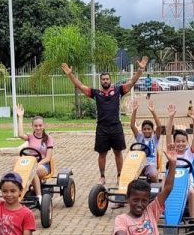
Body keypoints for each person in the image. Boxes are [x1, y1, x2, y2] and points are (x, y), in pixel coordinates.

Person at [62, 56, 148, 186]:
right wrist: (70, 75)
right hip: (102, 128)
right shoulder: (95, 93)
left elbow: (131, 82)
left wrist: (140, 70)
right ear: (100, 81)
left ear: (110, 80)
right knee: (102, 154)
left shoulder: (118, 90)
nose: (105, 80)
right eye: (103, 79)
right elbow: (79, 86)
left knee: (118, 152)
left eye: (107, 79)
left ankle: (120, 175)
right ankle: (102, 176)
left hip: (116, 126)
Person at [16, 104, 54, 201]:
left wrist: (36, 164)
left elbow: (48, 158)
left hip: (44, 165)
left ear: (43, 126)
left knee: (32, 172)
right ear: (32, 126)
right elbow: (20, 134)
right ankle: (17, 194)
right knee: (17, 166)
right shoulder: (30, 137)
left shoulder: (48, 138)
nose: (38, 128)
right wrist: (20, 117)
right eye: (36, 126)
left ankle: (39, 197)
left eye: (40, 125)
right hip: (30, 164)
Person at [170, 107, 194, 219]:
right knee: (162, 190)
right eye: (178, 141)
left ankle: (193, 219)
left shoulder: (189, 153)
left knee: (191, 193)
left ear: (187, 142)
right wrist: (171, 118)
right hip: (173, 181)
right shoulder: (172, 152)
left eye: (183, 141)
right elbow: (168, 134)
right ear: (174, 142)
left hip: (188, 181)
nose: (180, 144)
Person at [128, 98, 165, 183]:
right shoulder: (140, 137)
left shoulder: (155, 139)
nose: (146, 131)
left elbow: (159, 126)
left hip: (150, 165)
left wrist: (153, 111)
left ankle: (156, 190)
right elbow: (132, 125)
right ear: (142, 130)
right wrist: (134, 111)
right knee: (129, 173)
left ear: (152, 130)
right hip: (138, 164)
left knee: (154, 174)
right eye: (144, 129)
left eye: (149, 129)